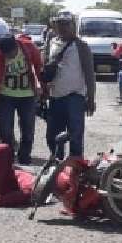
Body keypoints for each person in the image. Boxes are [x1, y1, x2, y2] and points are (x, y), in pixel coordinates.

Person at [44, 12, 96, 160]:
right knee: (53, 136)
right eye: (59, 24)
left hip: (75, 97)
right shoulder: (51, 42)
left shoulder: (81, 46)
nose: (63, 27)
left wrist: (91, 98)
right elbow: (46, 67)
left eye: (66, 24)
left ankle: (76, 168)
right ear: (55, 26)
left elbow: (89, 75)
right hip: (55, 97)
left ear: (73, 25)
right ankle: (57, 167)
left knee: (75, 135)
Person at [0, 33, 43, 165]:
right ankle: (7, 160)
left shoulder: (29, 48)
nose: (8, 57)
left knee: (28, 130)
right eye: (5, 54)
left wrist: (42, 89)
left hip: (28, 96)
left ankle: (24, 158)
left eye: (11, 53)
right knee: (5, 132)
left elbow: (38, 67)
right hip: (5, 97)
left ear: (16, 45)